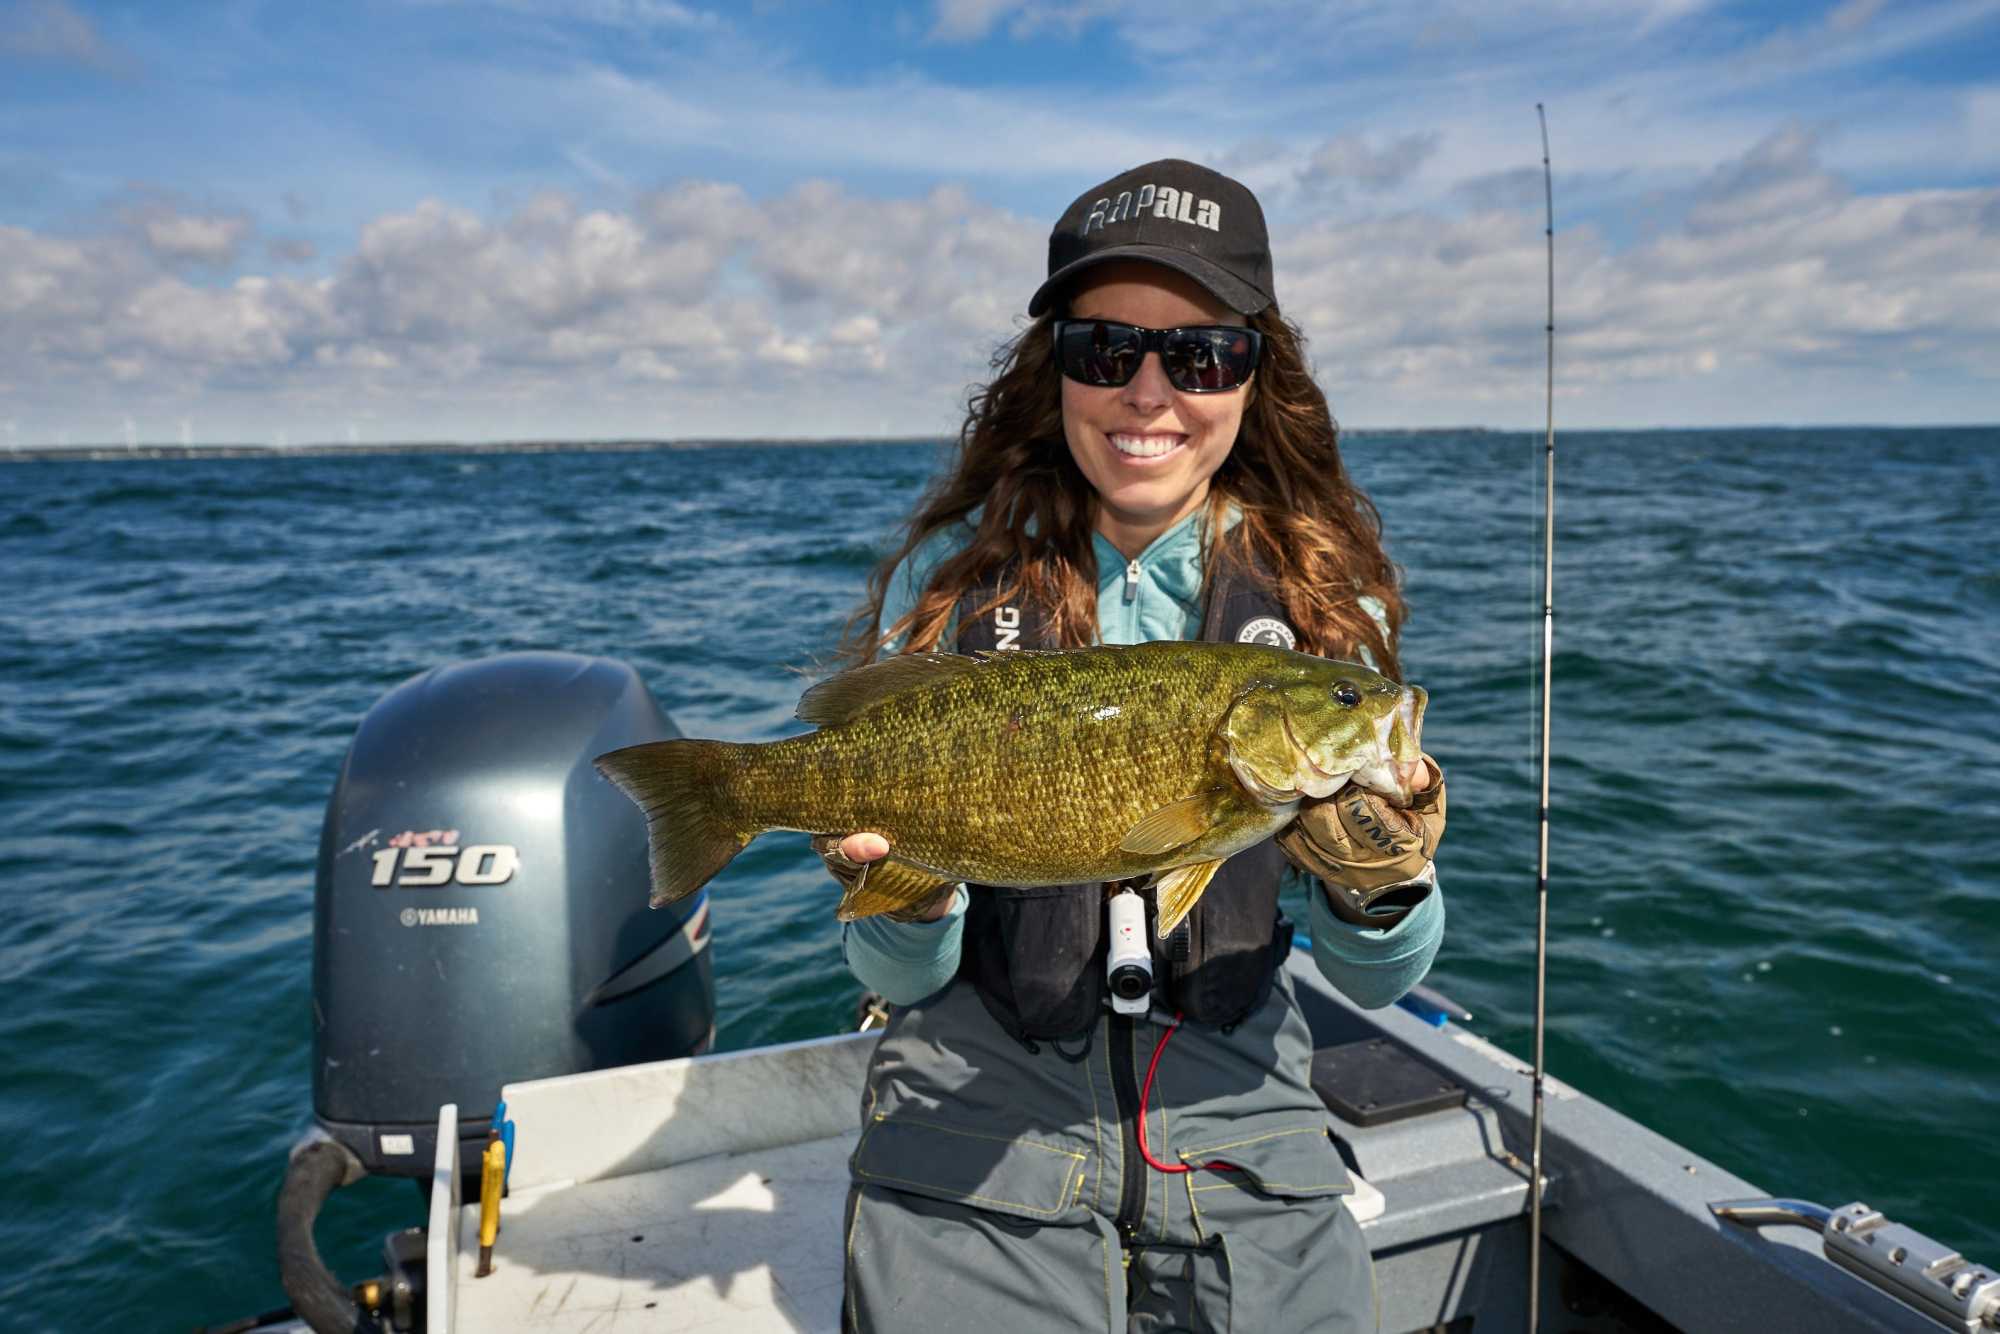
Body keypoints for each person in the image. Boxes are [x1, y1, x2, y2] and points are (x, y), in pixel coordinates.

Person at [823, 160, 1447, 1333]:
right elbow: (895, 982)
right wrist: (900, 895)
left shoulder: (1323, 618)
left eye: (1199, 353)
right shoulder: (951, 598)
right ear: (1051, 368)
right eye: (1104, 349)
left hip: (1242, 1115)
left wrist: (1380, 880)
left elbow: (1380, 980)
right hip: (972, 1094)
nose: (1149, 390)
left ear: (1255, 376)